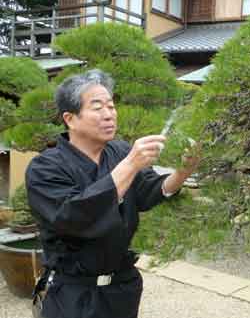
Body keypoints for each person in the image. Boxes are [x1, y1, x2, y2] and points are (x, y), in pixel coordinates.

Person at [26, 69, 199, 318]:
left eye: (111, 106)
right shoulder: (45, 167)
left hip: (122, 287)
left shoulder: (119, 151)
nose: (109, 114)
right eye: (97, 108)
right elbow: (71, 217)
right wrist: (130, 164)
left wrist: (183, 172)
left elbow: (147, 190)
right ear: (70, 118)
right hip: (73, 293)